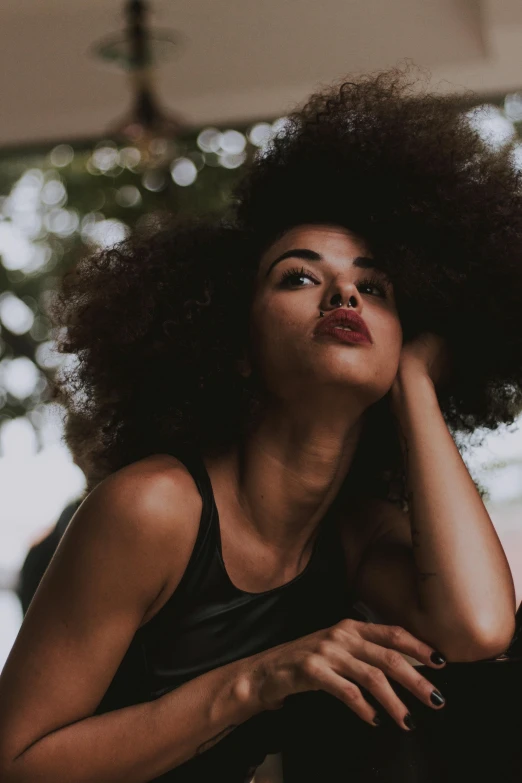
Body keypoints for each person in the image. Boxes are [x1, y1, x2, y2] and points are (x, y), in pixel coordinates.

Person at [0, 61, 520, 783]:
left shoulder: (354, 528)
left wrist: (415, 390)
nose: (344, 290)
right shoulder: (154, 509)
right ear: (236, 350)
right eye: (299, 276)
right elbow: (18, 764)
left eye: (374, 287)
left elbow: (478, 629)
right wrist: (257, 679)